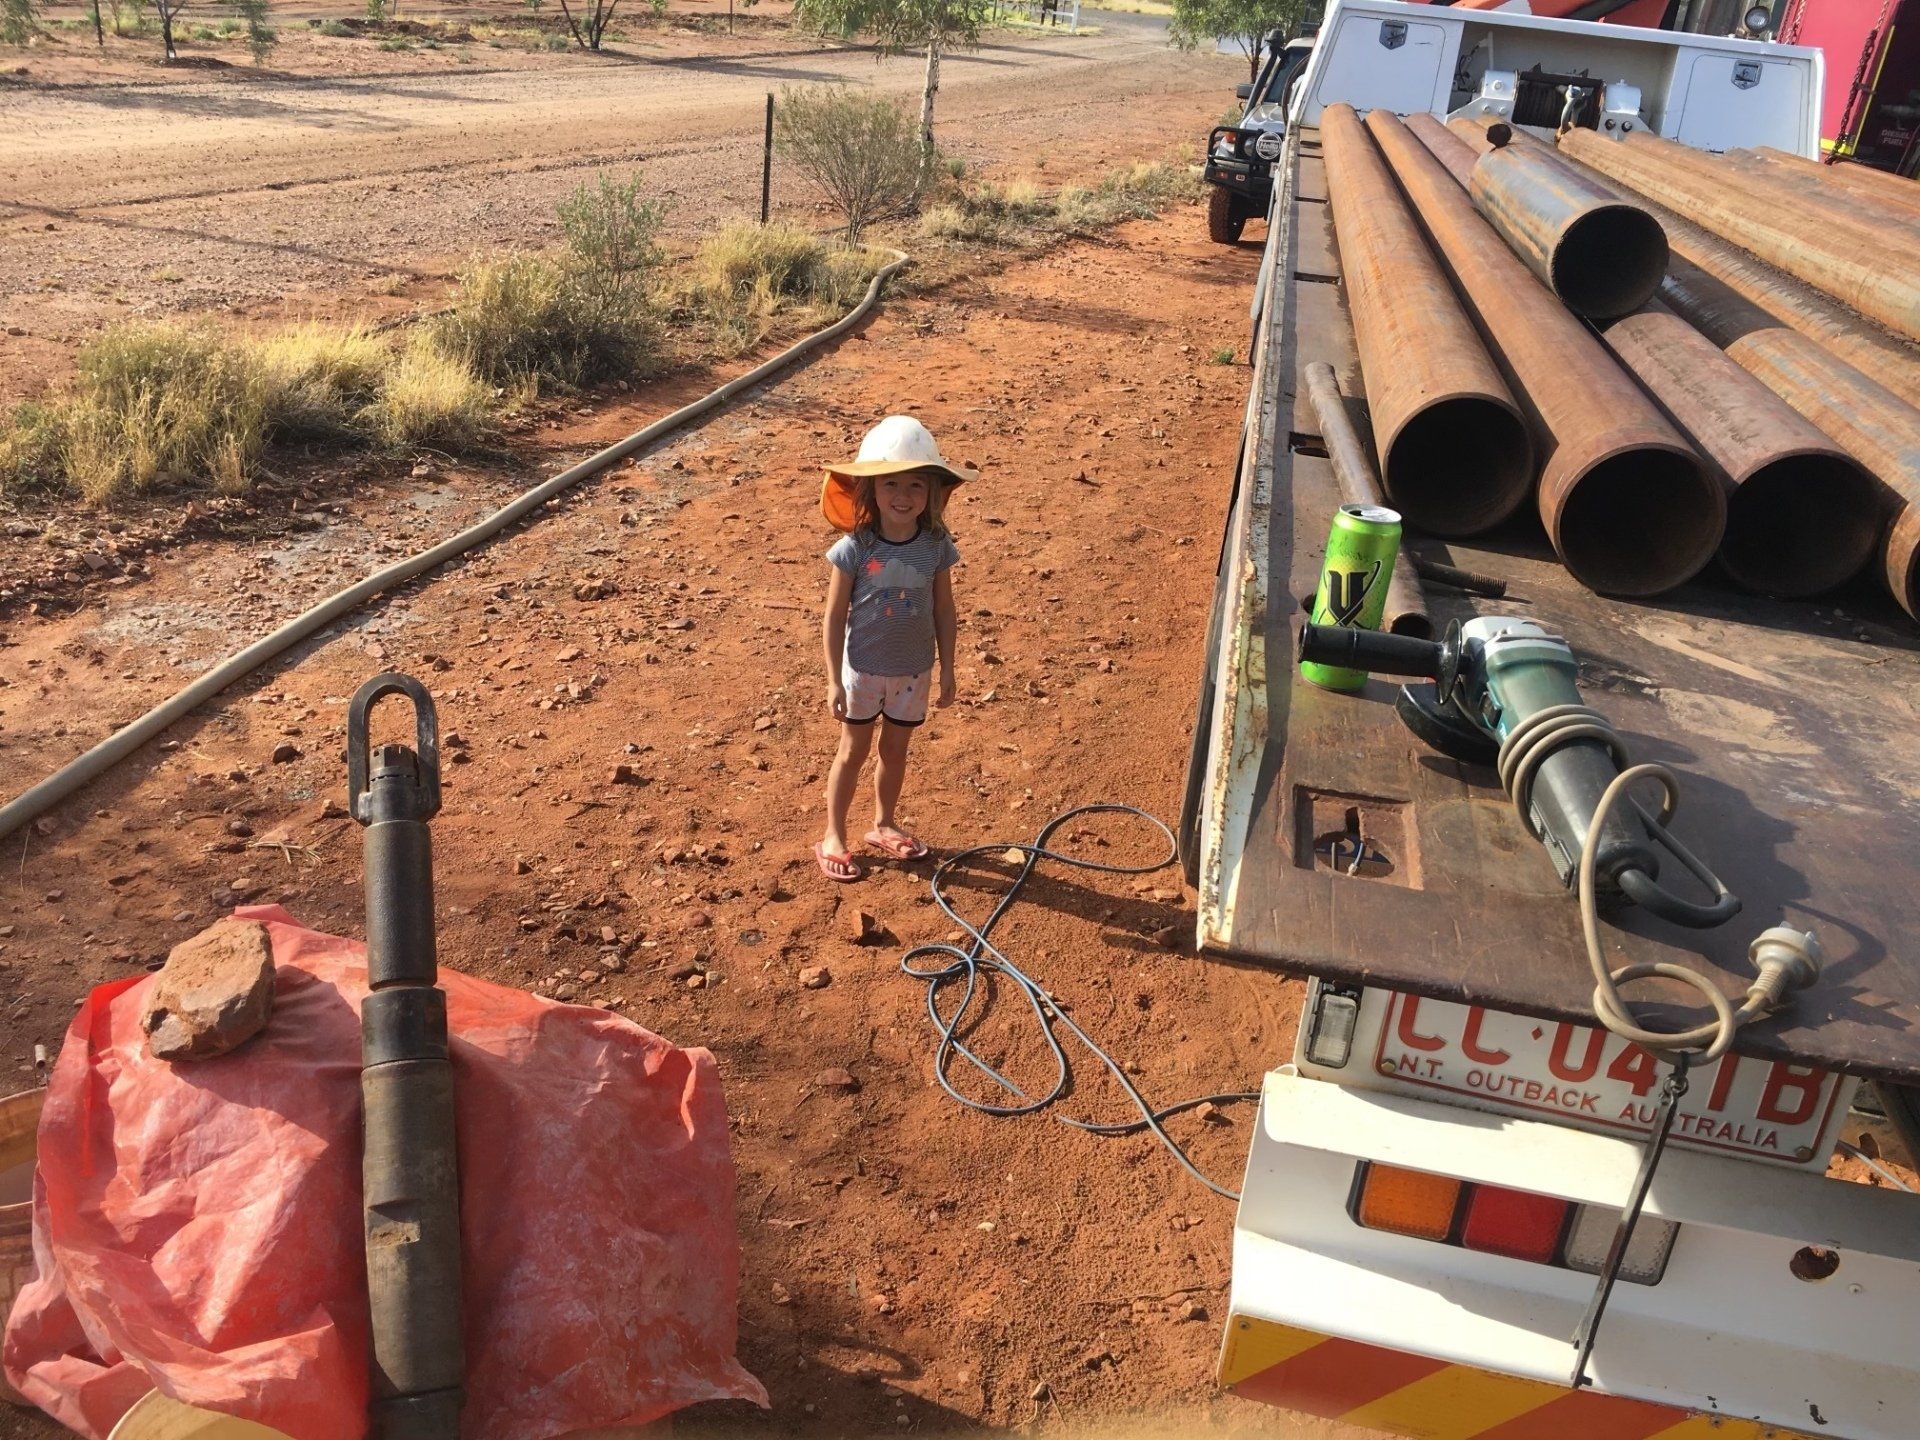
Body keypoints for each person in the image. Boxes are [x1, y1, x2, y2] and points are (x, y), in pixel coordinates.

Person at [814, 416, 977, 883]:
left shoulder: (936, 546)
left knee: (896, 750)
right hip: (863, 670)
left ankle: (883, 823)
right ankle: (833, 834)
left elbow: (945, 611)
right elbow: (832, 617)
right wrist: (831, 679)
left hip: (912, 670)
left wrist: (948, 669)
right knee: (853, 749)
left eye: (914, 485)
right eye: (890, 485)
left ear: (932, 493)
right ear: (870, 490)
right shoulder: (853, 549)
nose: (902, 496)